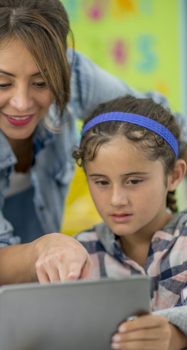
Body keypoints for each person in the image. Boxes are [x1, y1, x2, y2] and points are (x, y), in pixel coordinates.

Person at [0, 0, 186, 292]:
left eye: (41, 82)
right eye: (1, 83)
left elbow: (163, 125)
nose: (22, 103)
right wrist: (44, 249)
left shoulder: (72, 73)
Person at [73, 95, 187, 350]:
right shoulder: (78, 254)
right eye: (101, 182)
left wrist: (176, 335)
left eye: (134, 181)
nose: (116, 200)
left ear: (174, 176)